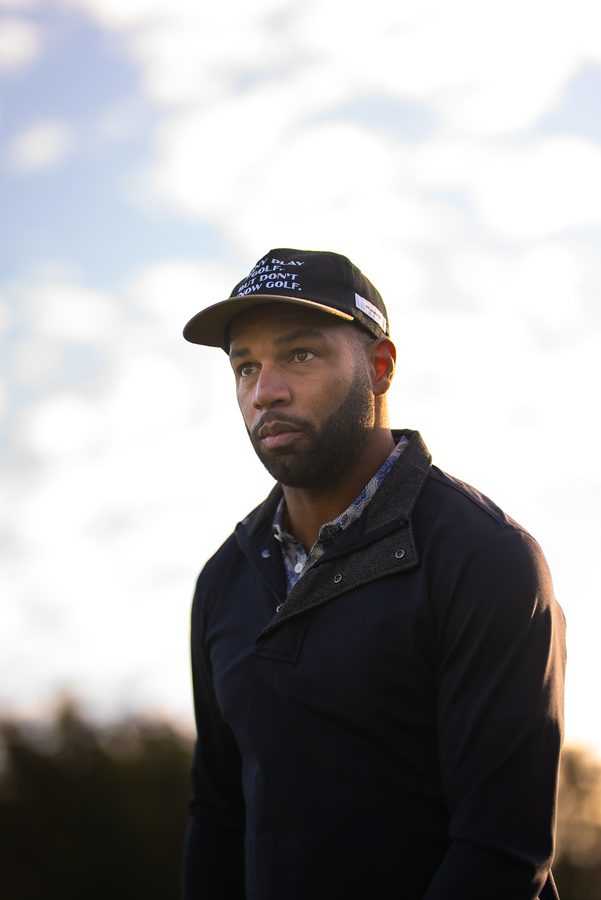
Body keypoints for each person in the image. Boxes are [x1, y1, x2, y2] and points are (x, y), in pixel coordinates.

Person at [181, 248, 566, 900]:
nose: (264, 390)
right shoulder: (224, 580)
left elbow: (501, 847)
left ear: (380, 368)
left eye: (299, 355)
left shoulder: (483, 557)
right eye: (245, 365)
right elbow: (218, 818)